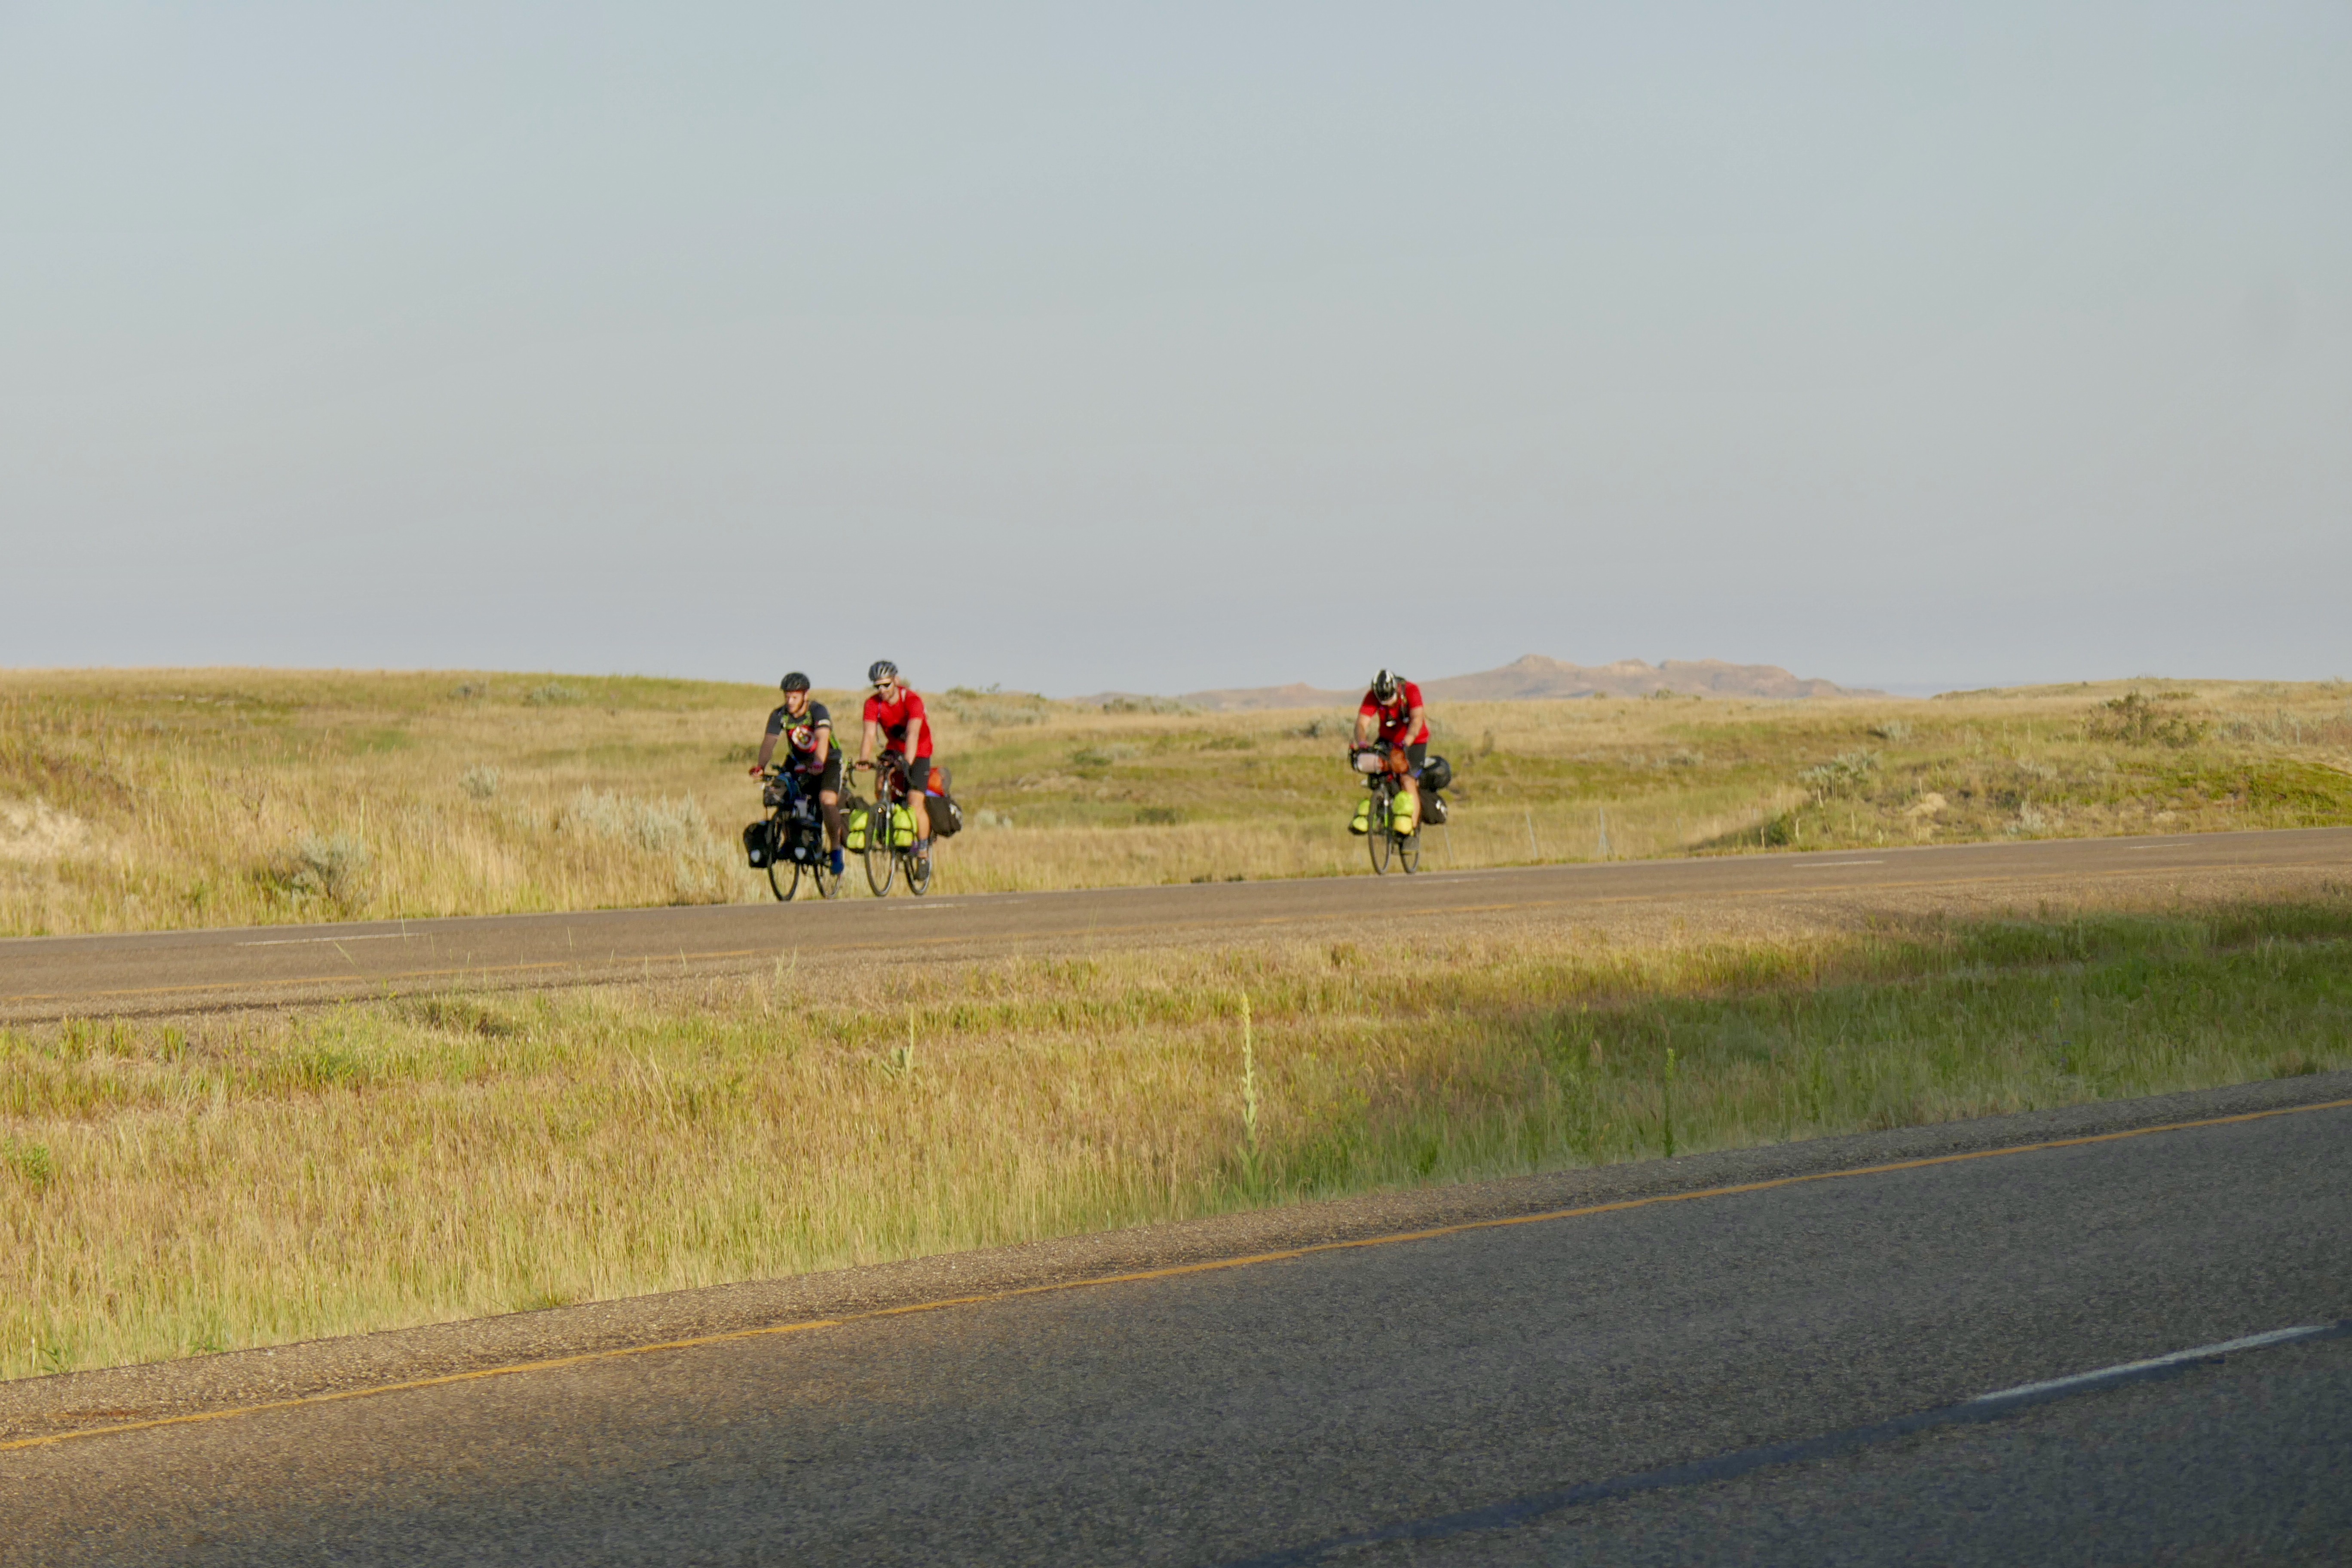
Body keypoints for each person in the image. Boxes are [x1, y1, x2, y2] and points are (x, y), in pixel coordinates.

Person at [748, 672, 845, 875]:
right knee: (783, 795)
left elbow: (823, 738)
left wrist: (818, 763)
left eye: (794, 697)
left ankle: (836, 849)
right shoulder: (780, 715)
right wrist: (761, 766)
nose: (790, 702)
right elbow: (769, 742)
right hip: (798, 760)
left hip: (828, 760)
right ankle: (790, 839)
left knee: (827, 800)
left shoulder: (817, 711)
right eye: (787, 697)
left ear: (805, 695)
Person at [854, 660, 940, 869]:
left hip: (919, 752)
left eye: (886, 685)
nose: (882, 690)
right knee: (880, 786)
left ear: (897, 681)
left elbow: (913, 734)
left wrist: (907, 762)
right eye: (877, 686)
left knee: (915, 801)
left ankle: (923, 853)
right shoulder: (873, 704)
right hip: (894, 750)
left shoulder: (912, 701)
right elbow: (869, 734)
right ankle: (890, 824)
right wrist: (864, 759)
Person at [1351, 668, 1428, 834]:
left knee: (1407, 780)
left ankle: (1411, 830)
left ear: (1396, 688)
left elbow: (1417, 720)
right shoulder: (1372, 696)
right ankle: (1378, 812)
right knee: (1377, 772)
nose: (1388, 704)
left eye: (1391, 699)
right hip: (1388, 740)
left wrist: (1406, 742)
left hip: (1414, 741)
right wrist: (1362, 743)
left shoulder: (1411, 691)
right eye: (1383, 702)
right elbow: (1361, 724)